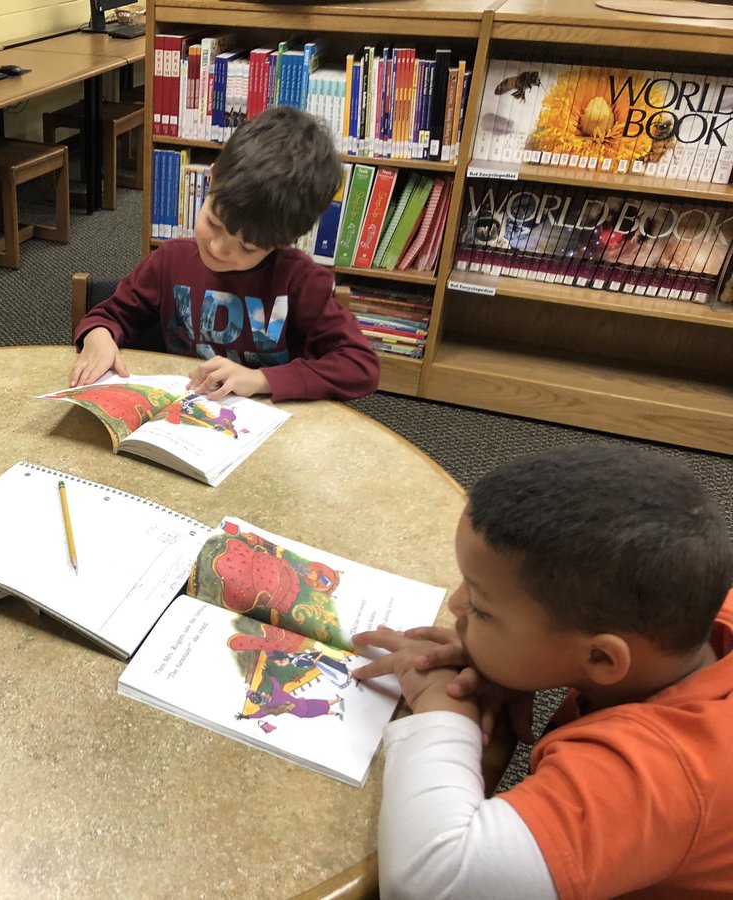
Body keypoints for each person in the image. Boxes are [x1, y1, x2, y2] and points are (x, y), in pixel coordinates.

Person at [351, 445, 733, 899]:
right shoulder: (678, 623)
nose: (455, 607)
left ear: (602, 660)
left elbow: (434, 881)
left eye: (480, 606)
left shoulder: (666, 771)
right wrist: (506, 659)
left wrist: (442, 706)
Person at [69, 106, 379, 402]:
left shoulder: (300, 281)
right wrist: (98, 335)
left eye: (247, 248)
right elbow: (109, 314)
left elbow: (360, 366)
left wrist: (261, 380)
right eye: (212, 223)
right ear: (212, 178)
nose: (218, 248)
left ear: (288, 239)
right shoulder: (171, 259)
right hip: (183, 412)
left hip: (260, 425)